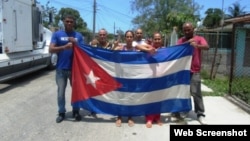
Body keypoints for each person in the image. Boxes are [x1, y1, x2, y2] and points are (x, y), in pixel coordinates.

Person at [113, 30, 155, 127]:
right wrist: (115, 46)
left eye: (130, 37)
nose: (129, 38)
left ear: (133, 38)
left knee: (131, 96)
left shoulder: (136, 48)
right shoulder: (121, 48)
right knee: (120, 96)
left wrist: (150, 49)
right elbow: (113, 53)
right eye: (127, 37)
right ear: (125, 38)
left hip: (133, 77)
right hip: (122, 76)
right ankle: (119, 116)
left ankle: (130, 117)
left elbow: (148, 50)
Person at [49, 15, 84, 123]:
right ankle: (61, 112)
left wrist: (76, 43)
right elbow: (51, 49)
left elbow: (84, 51)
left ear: (74, 23)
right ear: (64, 22)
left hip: (75, 70)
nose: (69, 23)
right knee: (60, 93)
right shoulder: (57, 34)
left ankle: (76, 111)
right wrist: (64, 47)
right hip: (61, 69)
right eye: (67, 21)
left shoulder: (78, 35)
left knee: (76, 92)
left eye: (71, 21)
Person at [175, 22, 209, 125]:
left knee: (196, 93)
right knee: (184, 93)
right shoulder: (181, 40)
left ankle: (200, 114)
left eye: (188, 29)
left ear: (193, 29)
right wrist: (185, 44)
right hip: (183, 71)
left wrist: (196, 45)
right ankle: (185, 110)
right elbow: (176, 51)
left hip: (195, 71)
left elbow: (207, 47)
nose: (186, 31)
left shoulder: (199, 38)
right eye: (184, 30)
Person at [144, 32, 164, 128]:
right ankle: (149, 119)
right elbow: (138, 47)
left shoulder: (165, 50)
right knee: (150, 98)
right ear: (152, 40)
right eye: (155, 39)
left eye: (159, 39)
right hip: (150, 77)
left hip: (161, 78)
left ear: (161, 40)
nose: (157, 41)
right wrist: (148, 49)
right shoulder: (148, 48)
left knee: (159, 99)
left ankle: (157, 117)